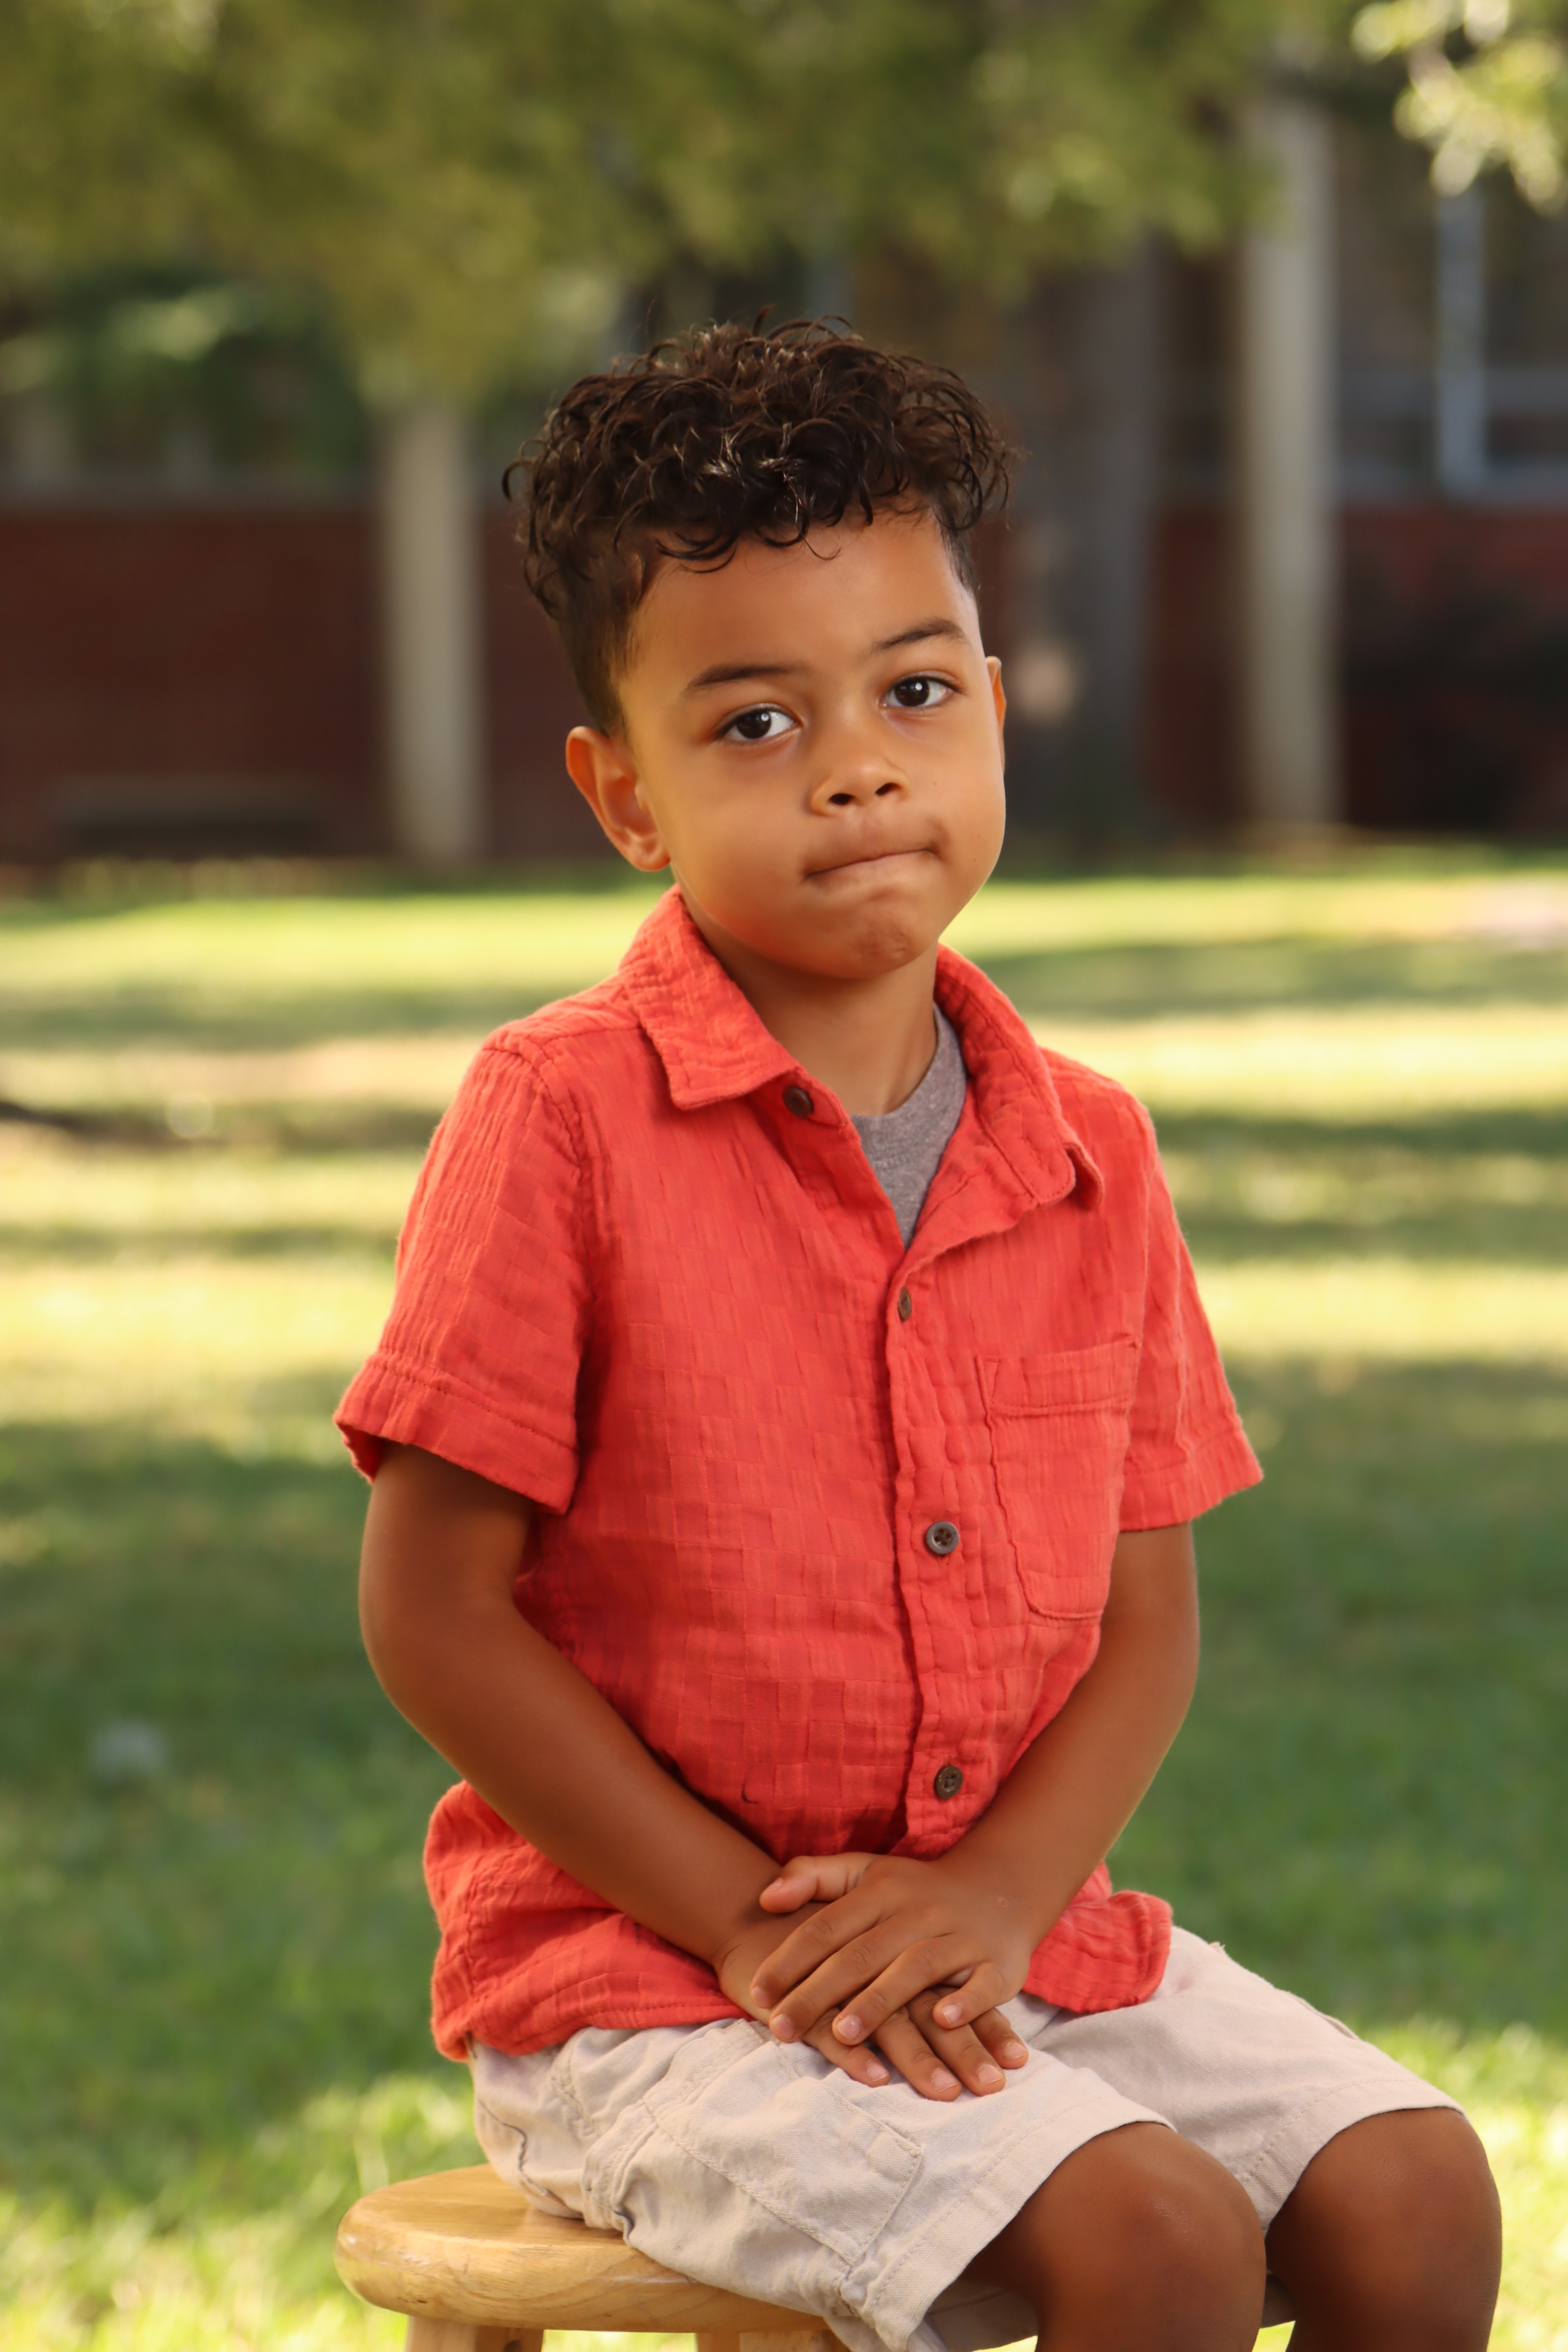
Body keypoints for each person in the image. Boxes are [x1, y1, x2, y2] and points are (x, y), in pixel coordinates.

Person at [339, 321, 1500, 2352]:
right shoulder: (559, 1118)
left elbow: (1145, 1619)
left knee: (1414, 2192)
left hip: (1015, 1938)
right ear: (623, 796)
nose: (859, 764)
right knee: (1152, 2238)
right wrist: (748, 1927)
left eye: (912, 690)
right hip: (658, 1988)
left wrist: (998, 1900)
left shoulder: (1091, 1153)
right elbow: (433, 1614)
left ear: (992, 705)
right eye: (754, 723)